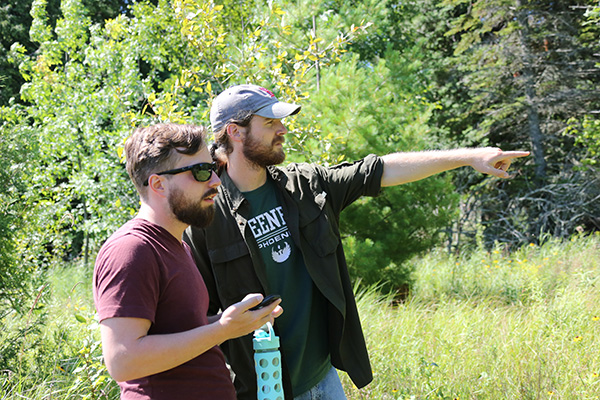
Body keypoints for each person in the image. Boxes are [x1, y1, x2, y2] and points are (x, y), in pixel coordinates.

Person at [183, 84, 529, 400]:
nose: (283, 130)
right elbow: (197, 318)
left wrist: (469, 157)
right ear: (235, 132)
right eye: (270, 123)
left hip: (324, 377)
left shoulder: (304, 185)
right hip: (265, 388)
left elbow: (378, 170)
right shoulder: (205, 216)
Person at [93, 123, 282, 400]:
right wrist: (222, 330)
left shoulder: (176, 245)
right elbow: (123, 360)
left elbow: (178, 330)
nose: (216, 181)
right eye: (201, 172)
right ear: (158, 184)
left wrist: (233, 322)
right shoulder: (132, 249)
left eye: (213, 168)